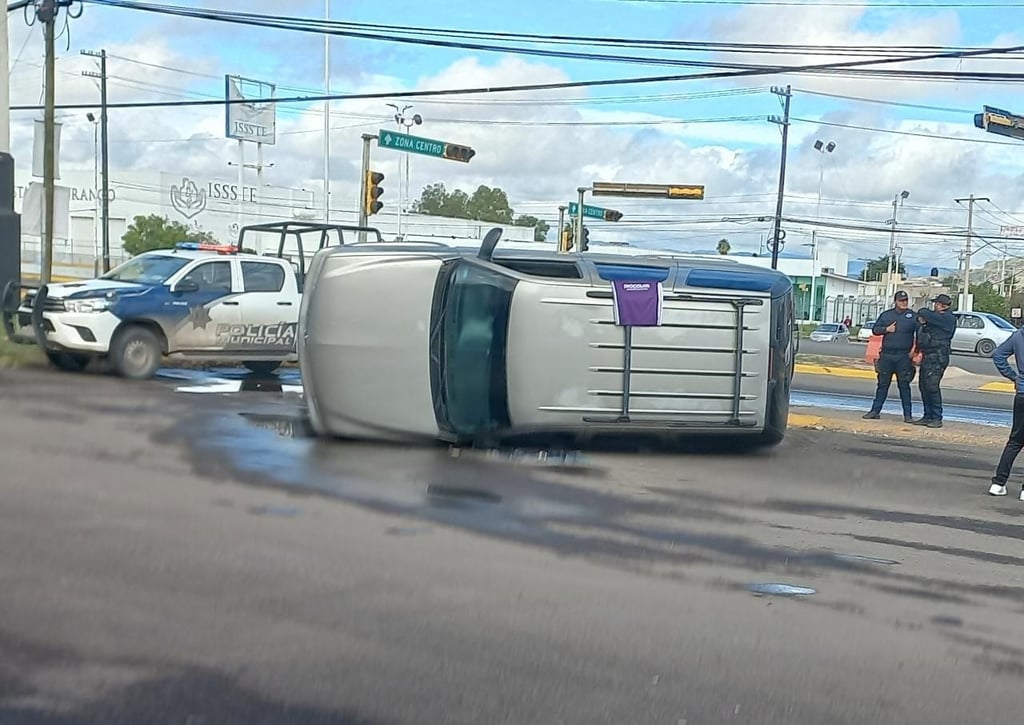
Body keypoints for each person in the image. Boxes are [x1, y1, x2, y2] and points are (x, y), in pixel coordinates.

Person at [863, 290, 918, 422]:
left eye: (905, 300)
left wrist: (915, 351)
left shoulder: (912, 316)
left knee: (904, 386)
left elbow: (920, 334)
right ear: (895, 301)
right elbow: (875, 330)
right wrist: (886, 329)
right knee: (882, 385)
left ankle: (908, 415)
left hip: (903, 356)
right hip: (887, 355)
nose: (904, 303)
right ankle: (875, 411)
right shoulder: (886, 315)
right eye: (901, 300)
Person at [988, 325, 1024, 500]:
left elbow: (998, 355)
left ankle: (999, 482)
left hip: (1022, 393)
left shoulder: (1018, 335)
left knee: (1015, 440)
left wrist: (1013, 376)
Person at [912, 294, 955, 428]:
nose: (935, 306)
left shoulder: (947, 318)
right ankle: (927, 415)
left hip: (938, 357)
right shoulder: (935, 319)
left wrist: (925, 317)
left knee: (932, 386)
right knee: (923, 386)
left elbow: (923, 312)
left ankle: (937, 417)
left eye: (937, 303)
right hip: (928, 355)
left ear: (942, 305)